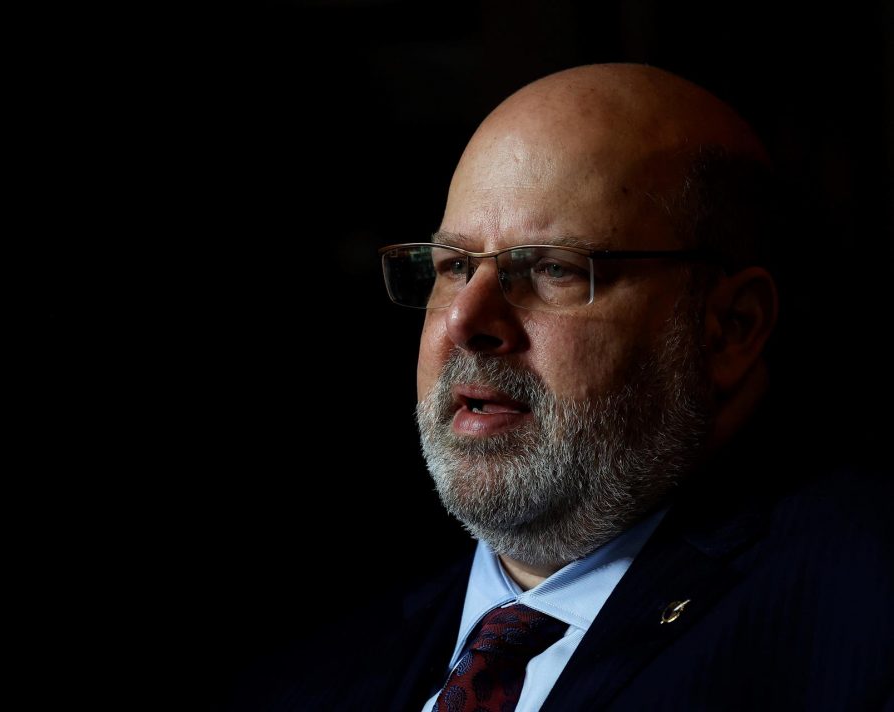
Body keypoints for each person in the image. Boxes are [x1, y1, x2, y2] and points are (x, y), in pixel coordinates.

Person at [239, 63, 894, 711]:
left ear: (729, 328)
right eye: (454, 266)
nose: (465, 321)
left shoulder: (864, 615)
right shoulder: (302, 673)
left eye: (552, 268)